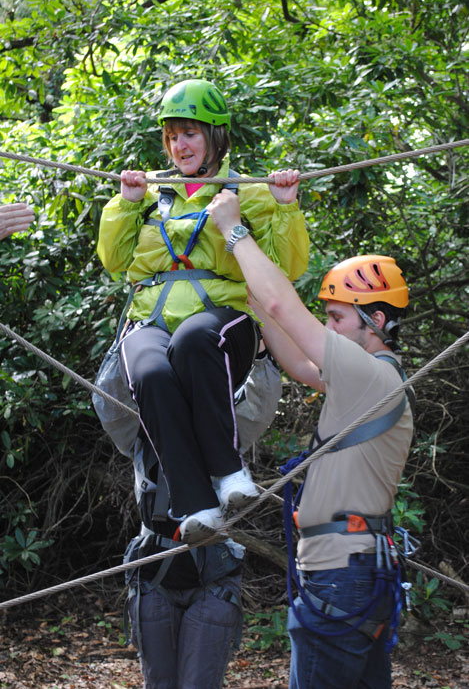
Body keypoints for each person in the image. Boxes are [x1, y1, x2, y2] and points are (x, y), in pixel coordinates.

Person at [207, 186, 414, 689]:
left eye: (337, 317)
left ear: (376, 321)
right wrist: (253, 302)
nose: (328, 327)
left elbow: (285, 304)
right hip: (355, 572)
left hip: (343, 575)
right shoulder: (374, 380)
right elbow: (301, 363)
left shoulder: (369, 375)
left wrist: (233, 231)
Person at [97, 78, 309, 544]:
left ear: (215, 136)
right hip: (152, 319)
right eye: (172, 136)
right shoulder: (149, 192)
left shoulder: (248, 191)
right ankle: (195, 505)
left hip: (223, 319)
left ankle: (229, 472)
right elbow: (114, 261)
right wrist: (126, 204)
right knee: (149, 371)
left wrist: (285, 208)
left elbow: (288, 268)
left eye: (190, 133)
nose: (180, 145)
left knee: (194, 339)